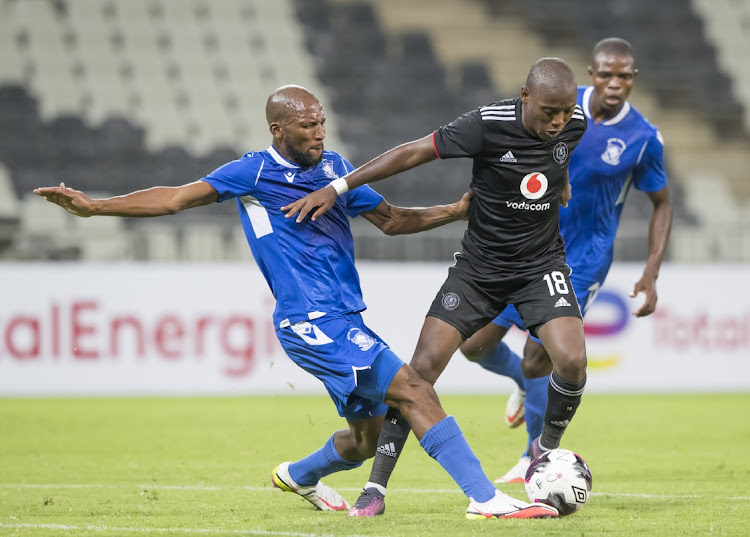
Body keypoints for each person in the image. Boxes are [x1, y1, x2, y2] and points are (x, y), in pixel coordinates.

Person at [34, 85, 557, 519]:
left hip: (343, 314)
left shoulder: (337, 170)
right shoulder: (253, 173)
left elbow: (393, 220)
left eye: (321, 122)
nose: (319, 133)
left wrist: (455, 210)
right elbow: (173, 198)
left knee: (367, 438)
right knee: (414, 389)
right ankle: (485, 500)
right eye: (306, 125)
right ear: (277, 129)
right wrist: (96, 207)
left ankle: (297, 475)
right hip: (310, 320)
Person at [283, 58, 588, 517]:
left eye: (565, 111)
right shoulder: (485, 125)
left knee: (573, 359)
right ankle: (376, 489)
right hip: (479, 270)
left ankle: (545, 453)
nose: (558, 121)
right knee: (418, 375)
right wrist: (340, 186)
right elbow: (411, 152)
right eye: (549, 111)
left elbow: (557, 157)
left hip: (540, 265)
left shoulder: (573, 124)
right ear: (525, 97)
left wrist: (560, 183)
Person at [460, 37, 673, 484]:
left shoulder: (643, 139)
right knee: (473, 344)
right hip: (525, 245)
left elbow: (662, 203)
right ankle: (520, 383)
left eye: (625, 75)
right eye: (606, 74)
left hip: (583, 259)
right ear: (591, 74)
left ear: (633, 79)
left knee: (540, 358)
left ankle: (534, 458)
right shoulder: (556, 105)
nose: (615, 84)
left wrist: (651, 271)